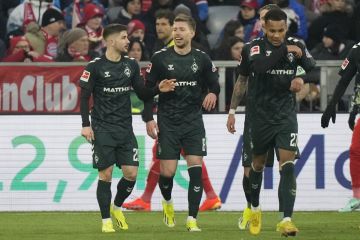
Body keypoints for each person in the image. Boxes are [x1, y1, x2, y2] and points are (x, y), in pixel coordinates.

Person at [79, 23, 176, 233]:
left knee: (131, 173)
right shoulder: (94, 66)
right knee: (105, 175)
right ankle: (106, 221)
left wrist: (157, 89)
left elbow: (142, 93)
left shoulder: (131, 65)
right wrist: (86, 125)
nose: (128, 41)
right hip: (103, 128)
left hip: (125, 128)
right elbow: (84, 96)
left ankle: (116, 207)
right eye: (124, 37)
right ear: (111, 41)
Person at [231, 9, 315, 236]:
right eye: (272, 31)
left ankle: (286, 220)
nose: (277, 35)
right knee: (257, 166)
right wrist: (285, 50)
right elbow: (259, 68)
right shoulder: (253, 48)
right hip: (259, 117)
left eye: (281, 30)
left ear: (286, 28)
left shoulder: (297, 43)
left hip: (285, 115)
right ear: (264, 28)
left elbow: (310, 66)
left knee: (287, 165)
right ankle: (256, 208)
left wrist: (299, 75)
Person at [142, 14, 220, 231]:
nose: (177, 33)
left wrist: (213, 93)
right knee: (167, 173)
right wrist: (148, 118)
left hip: (194, 121)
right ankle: (167, 202)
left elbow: (215, 84)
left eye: (181, 29)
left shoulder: (202, 59)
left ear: (192, 33)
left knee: (195, 166)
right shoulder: (160, 58)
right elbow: (147, 91)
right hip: (168, 122)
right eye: (175, 29)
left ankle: (192, 219)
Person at [321, 42, 360, 212]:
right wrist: (332, 105)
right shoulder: (357, 50)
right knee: (356, 150)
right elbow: (345, 80)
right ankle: (357, 197)